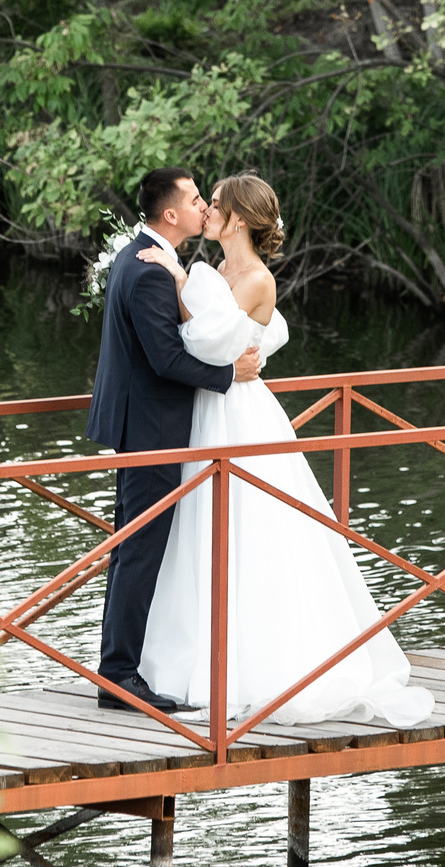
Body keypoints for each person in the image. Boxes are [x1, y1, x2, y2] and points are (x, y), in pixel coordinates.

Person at [135, 174, 434, 728]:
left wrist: (179, 279)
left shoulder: (254, 278)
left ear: (240, 220)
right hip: (211, 408)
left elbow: (201, 338)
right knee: (202, 529)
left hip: (240, 415)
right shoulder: (221, 271)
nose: (207, 211)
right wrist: (188, 285)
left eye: (216, 205)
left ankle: (265, 664)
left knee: (253, 526)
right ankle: (197, 658)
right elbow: (204, 340)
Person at [87, 166, 262, 713]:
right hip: (154, 433)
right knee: (138, 550)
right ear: (171, 214)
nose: (201, 208)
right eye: (193, 199)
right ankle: (118, 677)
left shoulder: (142, 259)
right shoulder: (148, 271)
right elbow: (165, 359)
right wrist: (229, 375)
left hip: (143, 427)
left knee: (129, 548)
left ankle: (118, 670)